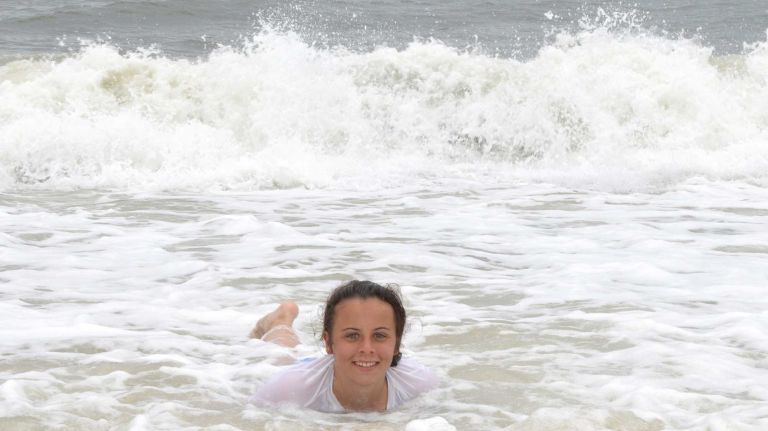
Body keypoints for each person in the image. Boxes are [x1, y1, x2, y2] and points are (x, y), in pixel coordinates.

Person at [250, 280, 439, 412]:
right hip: (307, 373)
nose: (367, 348)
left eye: (379, 335)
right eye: (352, 335)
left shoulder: (420, 384)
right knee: (284, 355)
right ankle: (280, 320)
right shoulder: (287, 389)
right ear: (328, 343)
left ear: (396, 344)